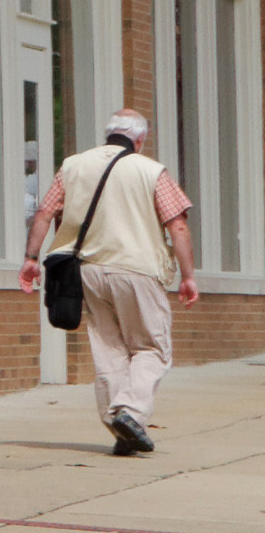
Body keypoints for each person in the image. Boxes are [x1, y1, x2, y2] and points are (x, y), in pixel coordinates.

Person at [20, 109, 199, 455]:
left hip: (88, 271)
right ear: (140, 139)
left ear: (109, 133)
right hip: (137, 269)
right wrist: (188, 276)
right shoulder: (151, 171)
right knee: (151, 347)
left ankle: (119, 428)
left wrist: (30, 259)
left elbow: (44, 213)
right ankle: (131, 414)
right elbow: (177, 225)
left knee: (109, 350)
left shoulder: (73, 165)